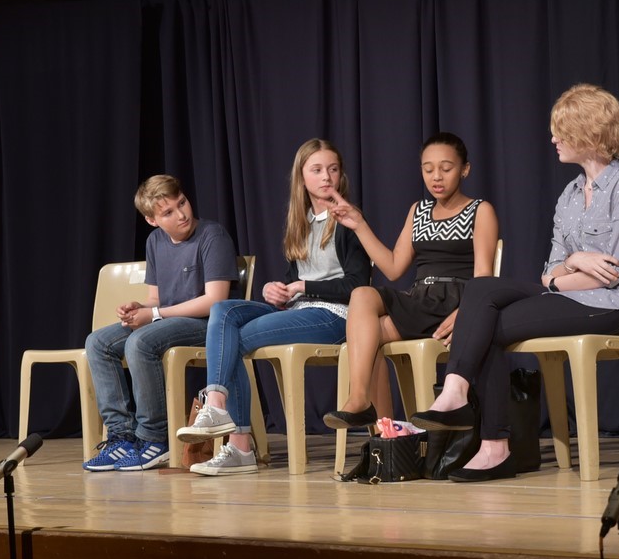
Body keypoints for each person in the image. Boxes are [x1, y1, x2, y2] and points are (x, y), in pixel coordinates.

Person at [409, 84, 619, 482]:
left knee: (484, 324)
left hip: (612, 308)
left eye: (561, 131)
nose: (554, 139)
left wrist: (560, 278)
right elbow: (550, 268)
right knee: (481, 291)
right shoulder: (569, 195)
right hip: (569, 296)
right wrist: (573, 262)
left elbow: (613, 274)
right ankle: (456, 396)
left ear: (589, 131)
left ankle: (494, 445)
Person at [176, 138, 372, 476]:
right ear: (302, 177)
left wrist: (304, 286)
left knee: (232, 340)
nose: (326, 177)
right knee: (224, 312)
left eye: (333, 169)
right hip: (299, 310)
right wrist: (277, 290)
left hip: (336, 315)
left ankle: (237, 443)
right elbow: (294, 281)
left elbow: (358, 285)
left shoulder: (348, 221)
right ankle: (220, 407)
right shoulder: (300, 221)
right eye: (317, 170)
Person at [322, 132, 500, 432]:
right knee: (363, 298)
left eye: (446, 168)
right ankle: (371, 414)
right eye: (428, 169)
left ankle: (380, 425)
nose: (436, 176)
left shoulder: (480, 210)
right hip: (419, 299)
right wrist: (359, 225)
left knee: (369, 335)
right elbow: (393, 268)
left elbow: (484, 274)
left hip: (455, 300)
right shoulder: (418, 211)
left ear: (465, 169)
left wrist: (469, 312)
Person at [83, 174, 240, 472]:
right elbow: (155, 299)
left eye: (182, 203)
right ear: (152, 220)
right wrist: (139, 307)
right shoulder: (155, 241)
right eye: (168, 212)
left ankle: (154, 438)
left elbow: (215, 301)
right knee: (98, 342)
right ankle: (122, 436)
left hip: (208, 325)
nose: (181, 214)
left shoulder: (212, 235)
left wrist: (154, 315)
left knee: (140, 342)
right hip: (167, 322)